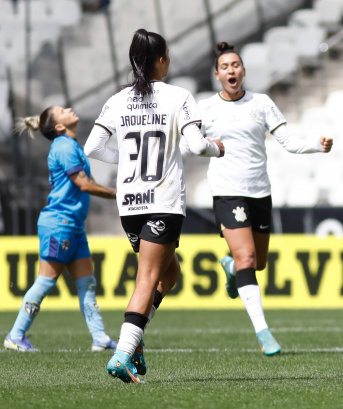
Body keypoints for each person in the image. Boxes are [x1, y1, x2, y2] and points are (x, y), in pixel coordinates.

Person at [84, 28, 224, 383]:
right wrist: (218, 147)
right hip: (162, 200)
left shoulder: (118, 100)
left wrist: (127, 158)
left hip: (130, 202)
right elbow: (195, 146)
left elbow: (92, 148)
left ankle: (136, 339)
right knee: (148, 278)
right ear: (161, 59)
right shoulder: (178, 96)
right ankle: (122, 354)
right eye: (168, 55)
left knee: (169, 274)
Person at [194, 41, 332, 356]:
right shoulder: (206, 108)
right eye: (225, 67)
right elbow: (189, 142)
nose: (231, 71)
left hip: (260, 192)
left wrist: (316, 145)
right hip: (228, 191)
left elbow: (288, 142)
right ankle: (263, 331)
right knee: (247, 259)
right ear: (217, 75)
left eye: (236, 65)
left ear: (242, 71)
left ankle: (230, 269)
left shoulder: (262, 103)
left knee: (257, 262)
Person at [4, 106, 118, 352]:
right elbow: (84, 185)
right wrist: (119, 194)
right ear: (58, 126)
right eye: (61, 110)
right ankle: (15, 335)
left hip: (73, 226)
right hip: (59, 224)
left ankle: (99, 337)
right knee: (46, 281)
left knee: (86, 283)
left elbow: (88, 183)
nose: (68, 108)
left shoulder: (71, 145)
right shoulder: (65, 147)